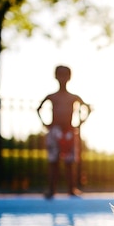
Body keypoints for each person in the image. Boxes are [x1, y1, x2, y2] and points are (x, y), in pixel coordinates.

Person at [37, 65, 91, 199]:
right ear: (55, 76)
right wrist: (46, 124)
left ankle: (71, 189)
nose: (62, 78)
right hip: (55, 130)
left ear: (69, 77)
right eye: (60, 74)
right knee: (53, 161)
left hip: (69, 132)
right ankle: (51, 189)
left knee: (69, 162)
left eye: (65, 75)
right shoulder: (52, 96)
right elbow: (38, 109)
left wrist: (80, 123)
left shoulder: (73, 97)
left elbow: (88, 108)